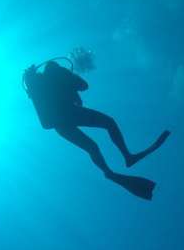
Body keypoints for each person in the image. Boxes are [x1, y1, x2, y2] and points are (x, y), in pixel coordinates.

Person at [23, 61, 170, 200]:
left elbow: (82, 87)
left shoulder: (43, 83)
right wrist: (67, 76)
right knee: (108, 125)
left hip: (61, 122)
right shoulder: (54, 77)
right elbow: (83, 85)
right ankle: (125, 158)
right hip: (68, 114)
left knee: (94, 145)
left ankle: (112, 169)